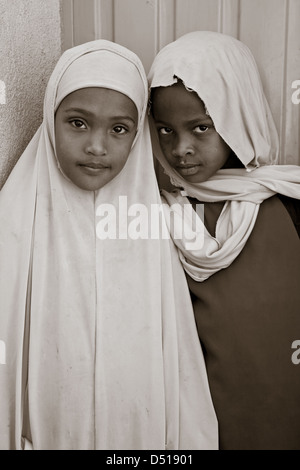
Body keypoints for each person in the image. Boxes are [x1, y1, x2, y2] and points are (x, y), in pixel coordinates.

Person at [0, 39, 218, 450]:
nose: (97, 147)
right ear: (51, 119)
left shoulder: (152, 228)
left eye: (119, 129)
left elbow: (178, 361)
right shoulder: (14, 222)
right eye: (78, 123)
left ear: (137, 138)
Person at [148, 30, 300, 450]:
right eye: (164, 130)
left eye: (202, 128)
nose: (180, 149)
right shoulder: (162, 215)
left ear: (241, 117)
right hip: (206, 424)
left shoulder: (288, 204)